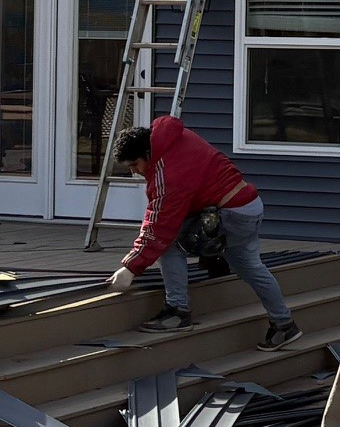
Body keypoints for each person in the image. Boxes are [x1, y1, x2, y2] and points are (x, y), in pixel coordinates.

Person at [105, 113, 299, 348]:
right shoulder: (176, 137)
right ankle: (284, 325)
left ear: (147, 154)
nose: (134, 171)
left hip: (231, 215)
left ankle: (177, 312)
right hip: (249, 207)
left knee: (169, 242)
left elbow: (159, 226)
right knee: (251, 267)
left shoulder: (168, 172)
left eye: (135, 164)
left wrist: (131, 267)